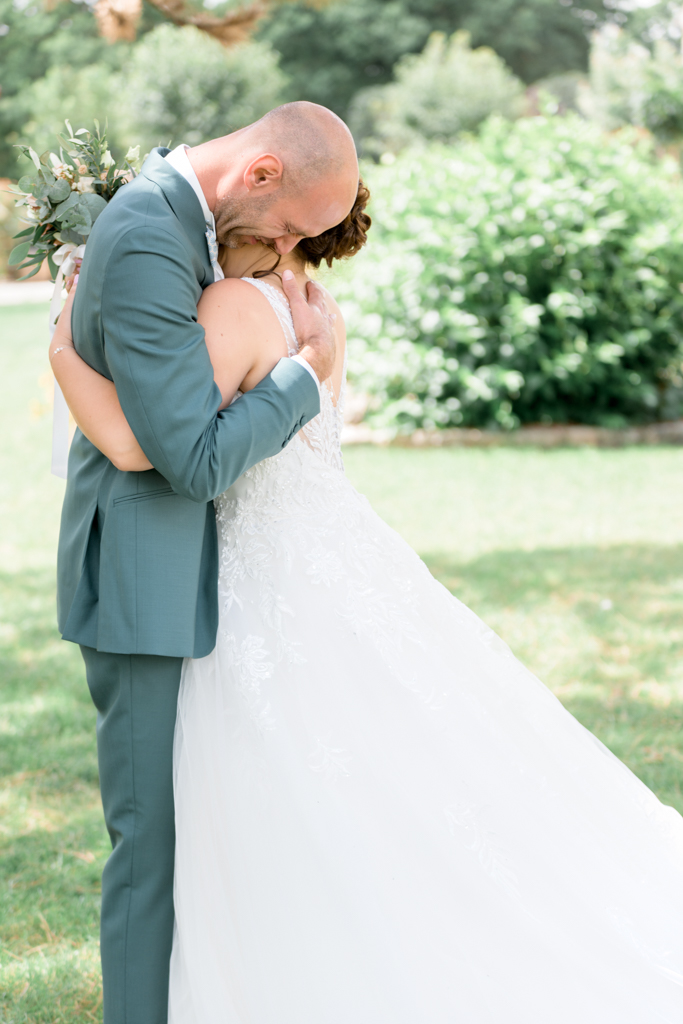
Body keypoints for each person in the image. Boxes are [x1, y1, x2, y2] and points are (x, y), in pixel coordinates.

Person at [53, 153, 683, 1023]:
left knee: (232, 815)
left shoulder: (234, 307)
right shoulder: (321, 319)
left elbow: (155, 448)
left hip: (250, 581)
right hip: (321, 560)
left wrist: (63, 352)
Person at [52, 101, 359, 1024]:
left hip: (211, 575)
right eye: (293, 227)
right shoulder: (149, 235)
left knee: (217, 830)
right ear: (261, 174)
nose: (291, 250)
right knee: (151, 843)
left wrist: (70, 364)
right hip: (144, 580)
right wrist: (305, 371)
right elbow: (189, 457)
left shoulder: (192, 229)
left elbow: (159, 435)